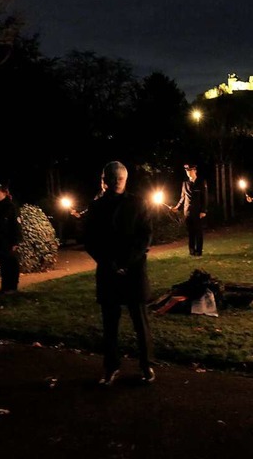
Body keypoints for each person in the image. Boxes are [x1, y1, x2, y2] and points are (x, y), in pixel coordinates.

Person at [83, 161, 156, 386]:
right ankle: (112, 366)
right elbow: (90, 239)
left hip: (131, 269)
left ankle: (146, 364)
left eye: (119, 179)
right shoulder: (96, 206)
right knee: (110, 323)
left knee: (139, 322)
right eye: (111, 179)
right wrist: (110, 262)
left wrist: (124, 261)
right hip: (110, 269)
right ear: (104, 180)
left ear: (125, 180)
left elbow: (145, 236)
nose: (115, 182)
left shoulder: (137, 203)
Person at [172, 164, 208, 256]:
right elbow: (182, 198)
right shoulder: (185, 183)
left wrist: (203, 211)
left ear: (195, 171)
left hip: (198, 212)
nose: (188, 173)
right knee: (191, 232)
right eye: (187, 171)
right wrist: (177, 207)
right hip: (188, 212)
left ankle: (198, 251)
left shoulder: (201, 182)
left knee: (198, 232)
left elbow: (204, 197)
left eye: (190, 171)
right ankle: (191, 251)